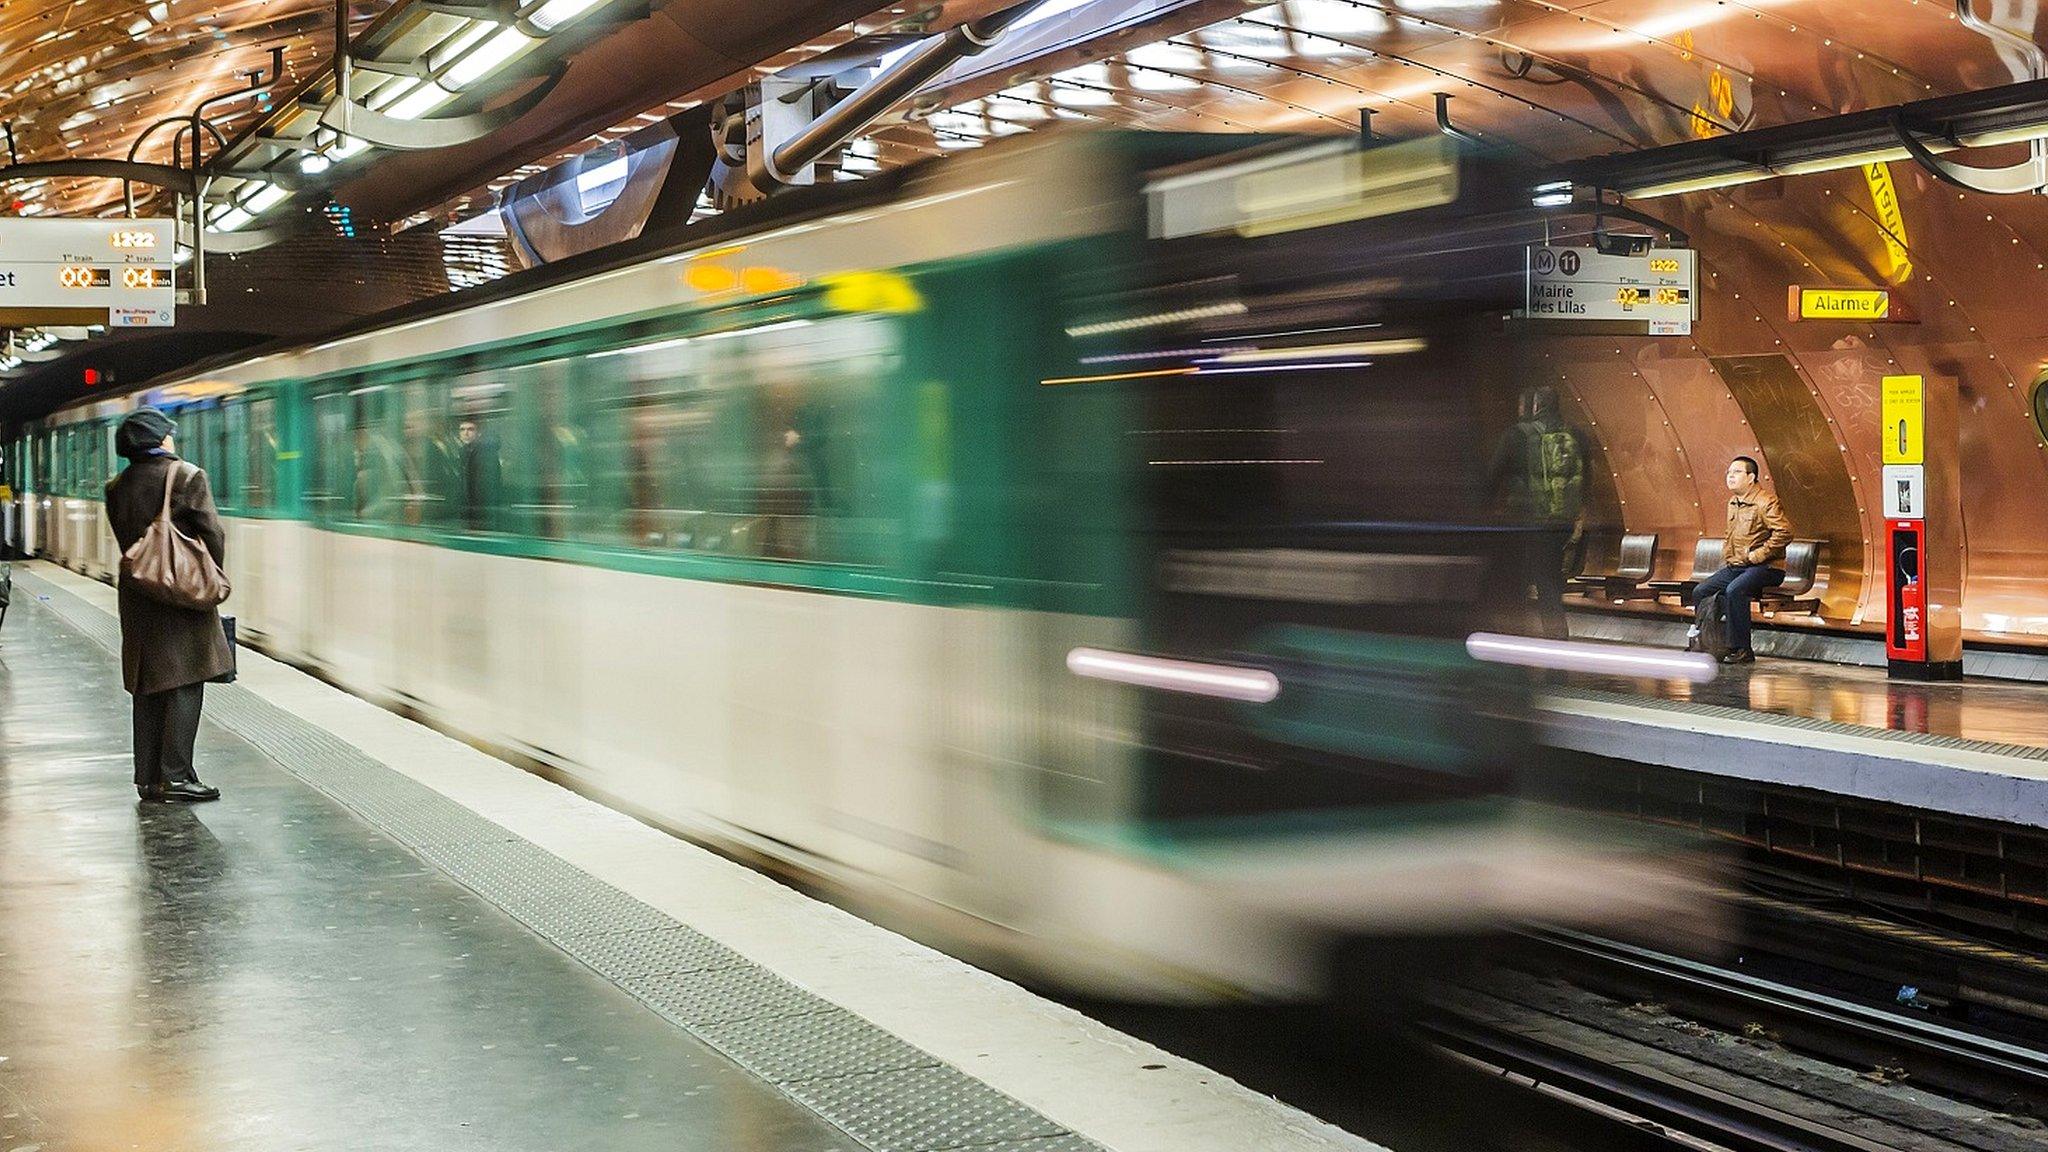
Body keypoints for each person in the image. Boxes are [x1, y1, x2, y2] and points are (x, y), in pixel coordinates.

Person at [105, 408, 232, 802]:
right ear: (159, 440)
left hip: (138, 593)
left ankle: (149, 778)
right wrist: (205, 581)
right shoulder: (187, 476)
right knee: (185, 680)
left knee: (149, 685)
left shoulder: (115, 486)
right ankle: (176, 777)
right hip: (180, 595)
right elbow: (212, 534)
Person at [1489, 385, 1587, 637]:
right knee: (1550, 582)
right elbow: (1585, 479)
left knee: (1520, 582)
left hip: (1527, 522)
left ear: (1535, 406)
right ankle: (1555, 636)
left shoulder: (1517, 436)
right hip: (1563, 522)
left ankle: (1523, 638)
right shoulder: (1576, 436)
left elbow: (1492, 478)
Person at [1690, 456, 1794, 665]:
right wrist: (1730, 558)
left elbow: (1785, 532)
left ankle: (1741, 649)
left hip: (1767, 567)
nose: (1730, 476)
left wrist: (1757, 555)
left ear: (1751, 477)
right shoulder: (1733, 502)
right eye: (1728, 473)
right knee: (1701, 591)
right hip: (1738, 566)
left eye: (1736, 472)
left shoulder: (1766, 501)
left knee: (1735, 590)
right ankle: (1709, 643)